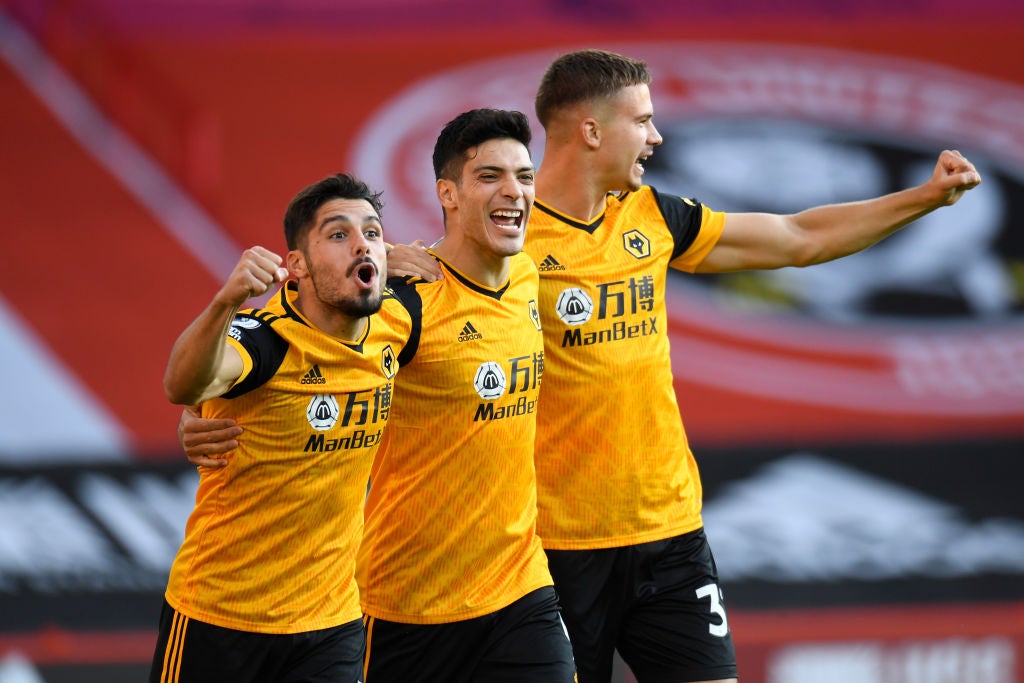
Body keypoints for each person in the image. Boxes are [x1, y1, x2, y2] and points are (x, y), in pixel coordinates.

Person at [183, 51, 983, 683]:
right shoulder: (474, 260)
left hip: (667, 532)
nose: (658, 136)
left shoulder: (653, 217)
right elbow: (325, 332)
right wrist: (213, 407)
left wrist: (921, 198)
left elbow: (797, 238)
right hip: (552, 546)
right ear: (593, 131)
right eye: (643, 120)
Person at [182, 109, 577, 683]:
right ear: (449, 193)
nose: (514, 191)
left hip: (521, 588)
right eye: (490, 176)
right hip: (405, 602)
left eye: (524, 175)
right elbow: (287, 344)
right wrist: (199, 410)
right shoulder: (402, 303)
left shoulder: (528, 277)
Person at [150, 173, 404, 683]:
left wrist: (432, 257)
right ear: (297, 267)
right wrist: (225, 302)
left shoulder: (398, 324)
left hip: (330, 623)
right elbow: (182, 383)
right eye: (338, 234)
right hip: (219, 617)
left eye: (372, 233)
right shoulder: (265, 341)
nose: (361, 244)